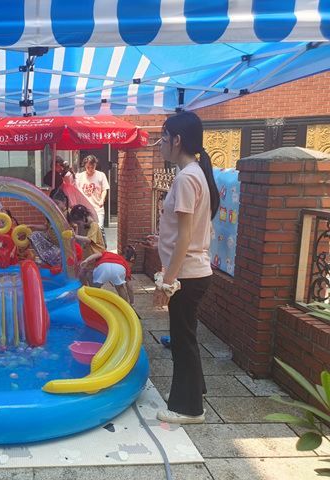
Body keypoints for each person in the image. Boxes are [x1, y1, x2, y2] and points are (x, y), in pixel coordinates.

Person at [146, 111, 220, 425]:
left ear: (177, 140)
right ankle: (192, 391)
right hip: (193, 270)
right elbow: (186, 230)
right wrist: (161, 241)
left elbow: (187, 236)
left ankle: (189, 409)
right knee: (185, 336)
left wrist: (167, 282)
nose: (160, 144)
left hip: (187, 274)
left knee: (182, 339)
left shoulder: (186, 177)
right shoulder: (194, 173)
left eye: (163, 138)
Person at [69, 204, 106, 286]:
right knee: (81, 275)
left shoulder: (94, 225)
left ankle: (94, 292)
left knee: (90, 277)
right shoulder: (86, 227)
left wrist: (75, 236)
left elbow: (89, 240)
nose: (79, 226)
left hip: (96, 257)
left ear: (83, 218)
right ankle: (85, 292)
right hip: (89, 258)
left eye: (78, 223)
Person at [76, 154, 109, 228]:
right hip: (84, 208)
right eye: (88, 167)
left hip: (97, 207)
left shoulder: (101, 175)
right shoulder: (79, 176)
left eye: (92, 167)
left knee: (99, 228)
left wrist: (102, 199)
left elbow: (104, 189)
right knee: (85, 228)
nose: (90, 169)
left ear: (95, 165)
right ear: (85, 166)